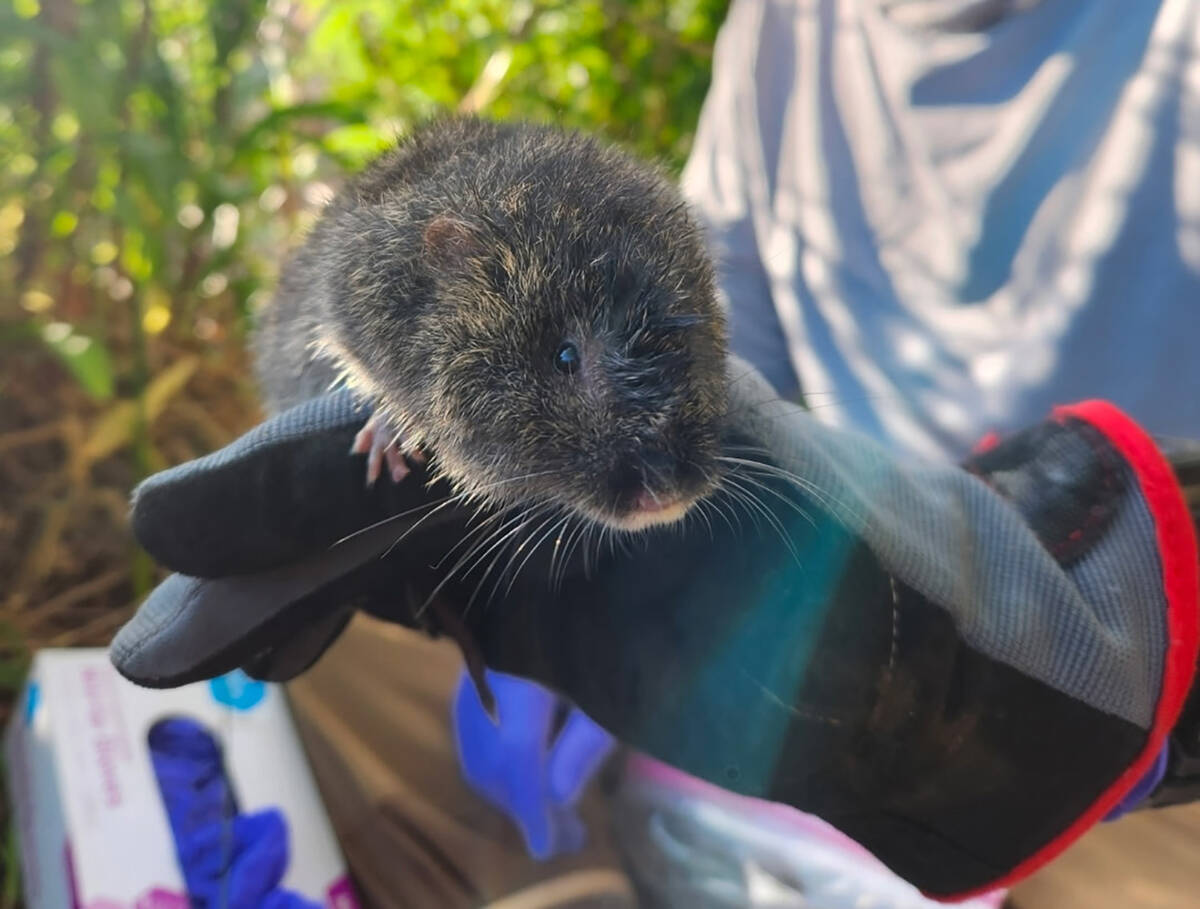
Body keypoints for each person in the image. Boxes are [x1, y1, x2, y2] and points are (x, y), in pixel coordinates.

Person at [110, 1, 1200, 907]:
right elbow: (722, 326)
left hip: (1109, 640)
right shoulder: (792, 25)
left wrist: (1105, 647)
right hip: (780, 544)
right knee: (300, 666)